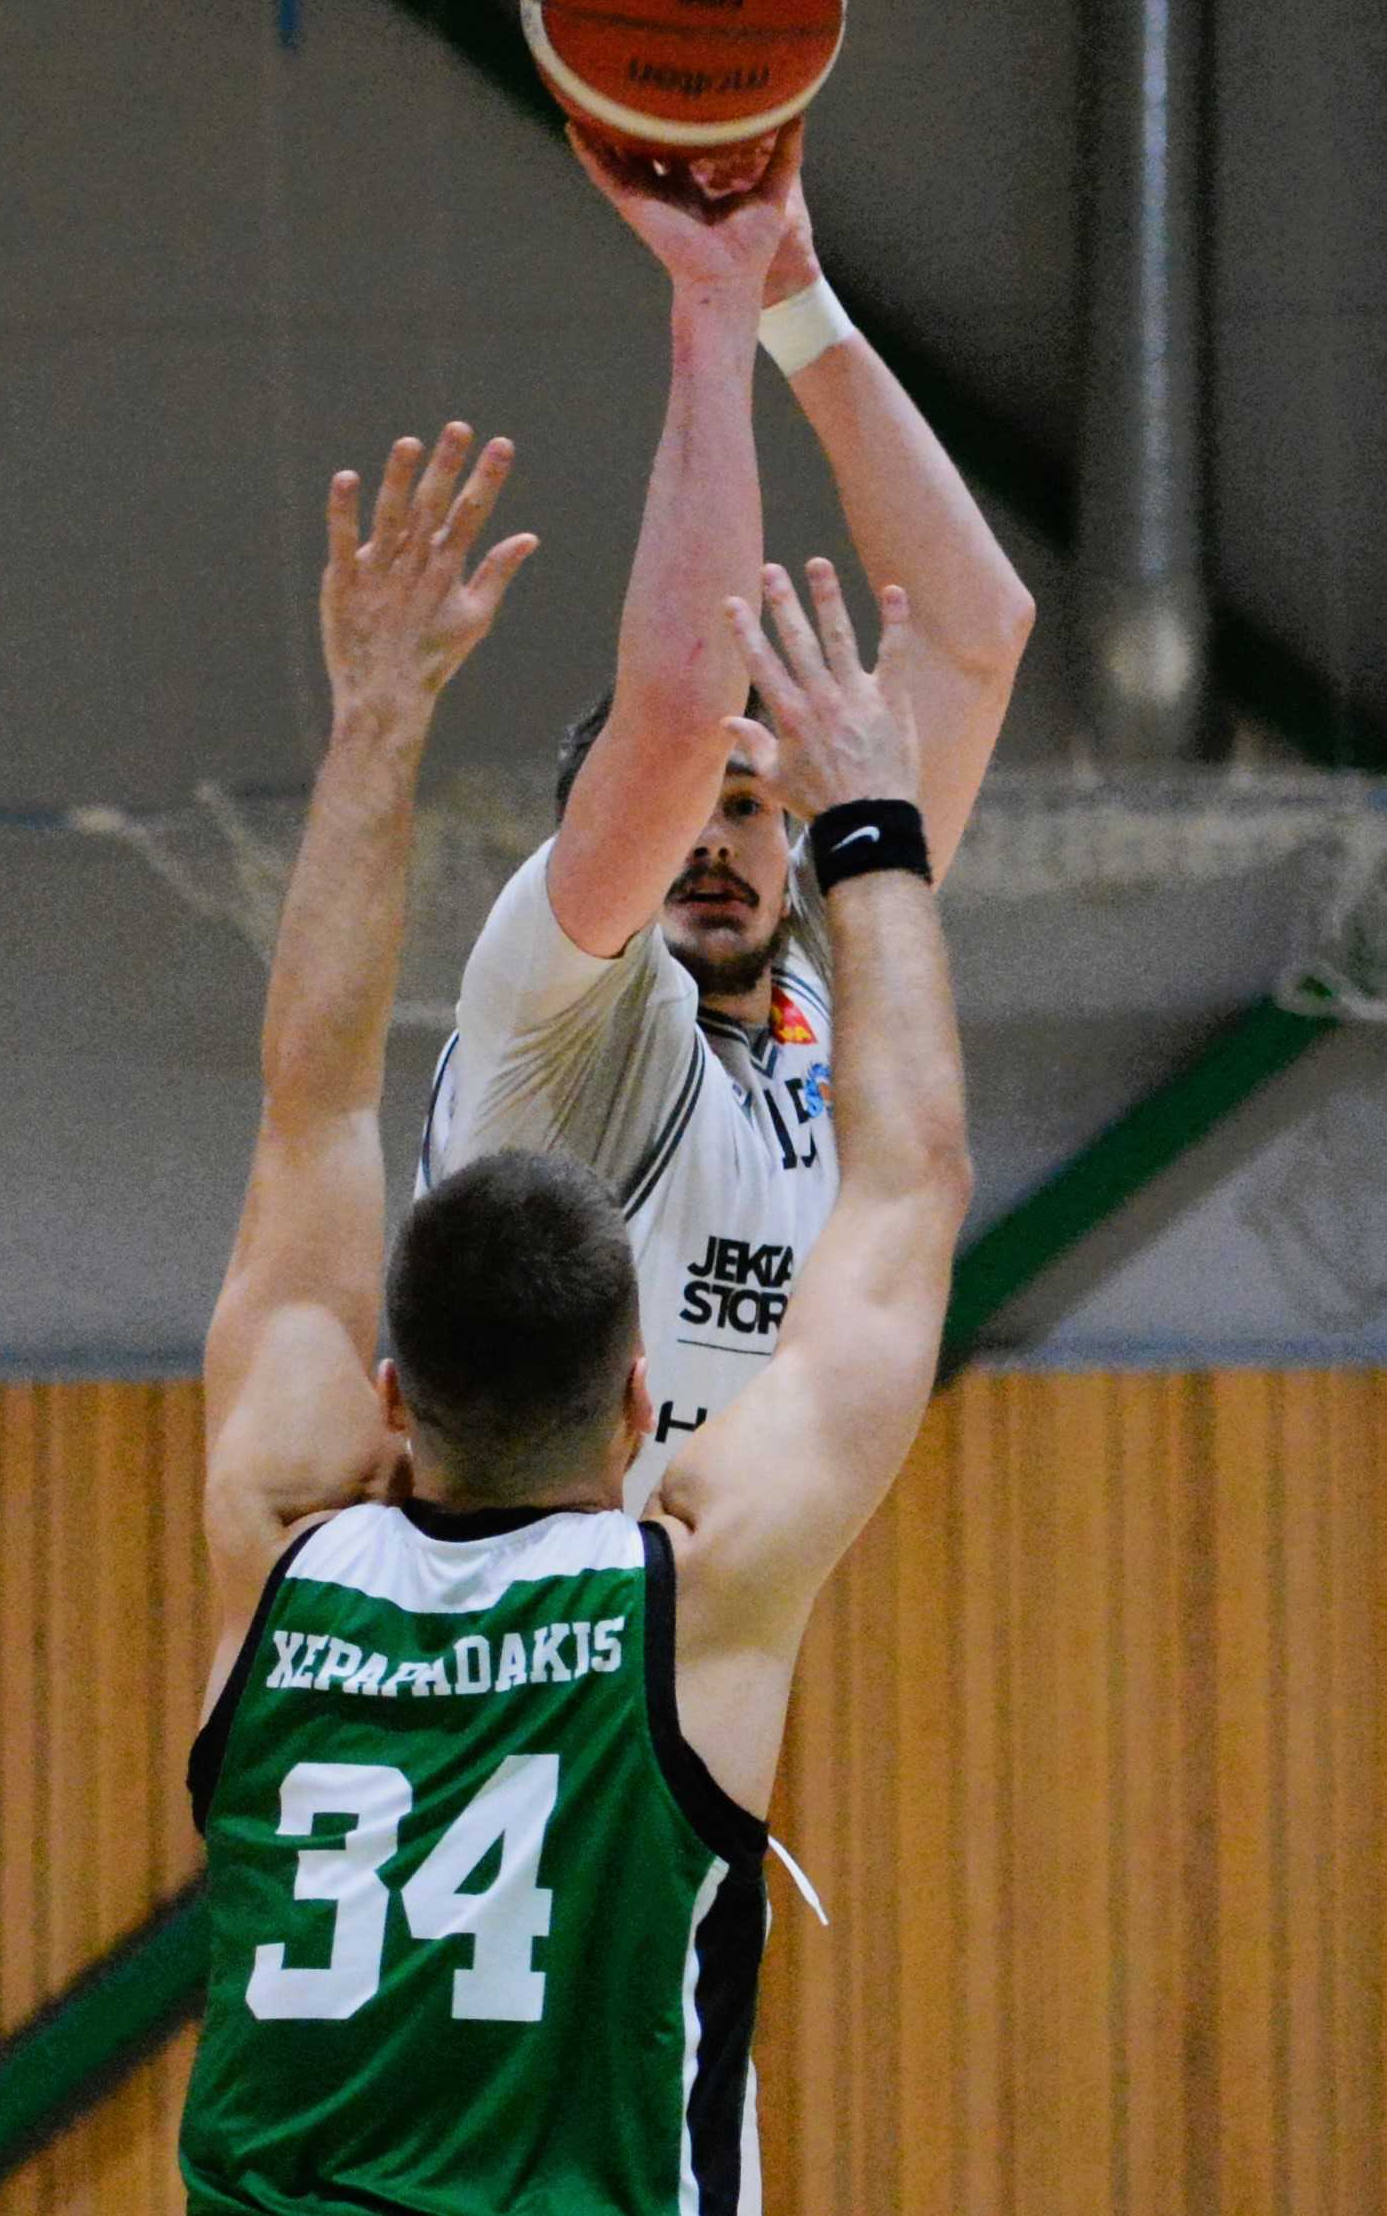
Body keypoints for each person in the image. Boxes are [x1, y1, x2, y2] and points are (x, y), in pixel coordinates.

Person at [184, 417, 970, 2216]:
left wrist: (375, 716)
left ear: (389, 1390)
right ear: (641, 1407)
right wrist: (874, 809)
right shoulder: (684, 1602)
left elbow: (306, 1103)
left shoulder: (284, 1536)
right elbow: (914, 1179)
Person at [416, 124, 1031, 1510]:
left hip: (693, 1621)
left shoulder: (818, 986)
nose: (709, 833)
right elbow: (682, 710)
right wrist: (709, 301)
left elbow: (977, 629)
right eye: (680, 806)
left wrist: (797, 299)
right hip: (497, 1638)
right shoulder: (561, 1009)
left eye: (748, 806)